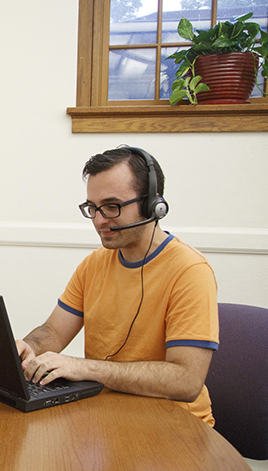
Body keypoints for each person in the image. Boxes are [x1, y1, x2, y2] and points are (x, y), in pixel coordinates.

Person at [17, 146, 219, 425]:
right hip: (108, 418)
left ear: (152, 205)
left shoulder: (190, 271)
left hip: (175, 427)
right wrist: (29, 347)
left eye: (112, 206)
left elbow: (185, 381)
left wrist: (84, 367)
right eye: (92, 208)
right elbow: (53, 331)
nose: (99, 220)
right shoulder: (94, 264)